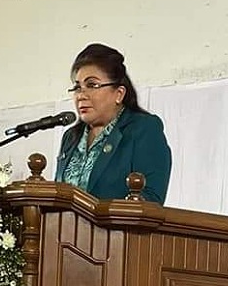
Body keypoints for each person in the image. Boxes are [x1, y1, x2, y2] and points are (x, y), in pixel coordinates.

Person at [54, 42, 172, 204]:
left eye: (92, 85)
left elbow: (151, 199)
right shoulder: (71, 137)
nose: (81, 95)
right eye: (77, 87)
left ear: (119, 94)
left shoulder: (143, 129)